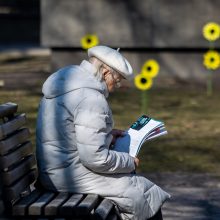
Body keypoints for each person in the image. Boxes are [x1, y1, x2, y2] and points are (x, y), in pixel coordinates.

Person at [36, 45, 170, 220]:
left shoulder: (67, 83)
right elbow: (95, 158)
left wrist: (107, 135)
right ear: (106, 72)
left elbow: (68, 133)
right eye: (118, 79)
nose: (117, 86)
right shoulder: (91, 99)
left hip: (54, 170)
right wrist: (129, 161)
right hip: (68, 176)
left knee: (136, 189)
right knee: (142, 193)